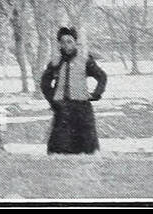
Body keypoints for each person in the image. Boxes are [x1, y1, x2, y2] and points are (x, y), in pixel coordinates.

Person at [40, 26, 107, 154]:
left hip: (82, 107)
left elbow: (102, 76)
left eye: (69, 41)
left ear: (75, 43)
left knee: (86, 147)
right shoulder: (55, 62)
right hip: (62, 107)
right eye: (63, 42)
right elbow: (45, 83)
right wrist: (53, 99)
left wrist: (96, 94)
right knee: (60, 146)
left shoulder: (85, 60)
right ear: (59, 43)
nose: (66, 45)